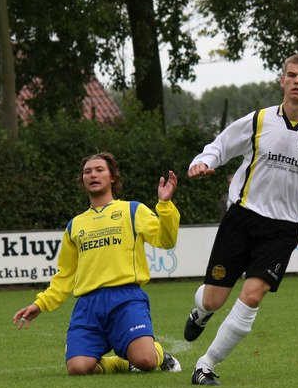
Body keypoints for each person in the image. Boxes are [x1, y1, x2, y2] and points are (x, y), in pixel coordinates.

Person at [183, 53, 298, 385]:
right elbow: (221, 145)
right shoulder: (259, 120)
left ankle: (206, 365)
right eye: (292, 75)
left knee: (252, 297)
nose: (297, 81)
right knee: (214, 298)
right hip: (242, 217)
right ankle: (202, 311)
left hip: (283, 228)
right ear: (282, 80)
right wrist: (203, 162)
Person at [13, 152, 182, 375]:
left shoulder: (133, 210)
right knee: (78, 368)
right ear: (82, 180)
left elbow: (166, 241)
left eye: (99, 170)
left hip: (126, 299)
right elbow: (65, 275)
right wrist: (40, 304)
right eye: (87, 172)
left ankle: (158, 353)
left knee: (145, 360)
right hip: (88, 305)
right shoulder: (75, 225)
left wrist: (165, 205)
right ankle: (122, 363)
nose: (93, 175)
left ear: (113, 177)